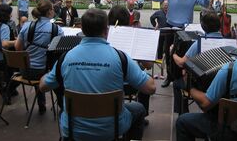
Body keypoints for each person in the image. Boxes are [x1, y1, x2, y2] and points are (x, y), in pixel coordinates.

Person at [40, 8, 156, 140]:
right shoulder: (120, 58)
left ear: (82, 30)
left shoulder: (66, 57)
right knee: (139, 108)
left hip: (74, 130)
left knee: (64, 111)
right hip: (111, 129)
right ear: (106, 31)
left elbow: (43, 86)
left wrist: (47, 75)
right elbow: (151, 88)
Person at [150, 0, 211, 87]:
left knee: (183, 54)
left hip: (185, 28)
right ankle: (169, 76)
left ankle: (181, 77)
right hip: (170, 25)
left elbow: (204, 4)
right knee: (168, 53)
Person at [15, 0, 64, 114]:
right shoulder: (57, 29)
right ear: (49, 12)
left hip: (25, 70)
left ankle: (41, 104)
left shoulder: (27, 26)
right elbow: (59, 53)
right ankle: (63, 107)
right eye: (52, 8)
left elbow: (18, 48)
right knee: (57, 77)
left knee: (42, 72)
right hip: (43, 71)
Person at [108, 5, 153, 126]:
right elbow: (148, 65)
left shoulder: (104, 36)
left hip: (107, 84)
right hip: (130, 85)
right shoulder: (135, 36)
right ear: (129, 20)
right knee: (146, 79)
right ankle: (142, 116)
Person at [172, 11, 223, 114]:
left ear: (203, 27)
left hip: (203, 85)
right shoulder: (227, 41)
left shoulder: (199, 43)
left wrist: (173, 53)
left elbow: (182, 63)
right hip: (222, 84)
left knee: (177, 84)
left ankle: (183, 114)